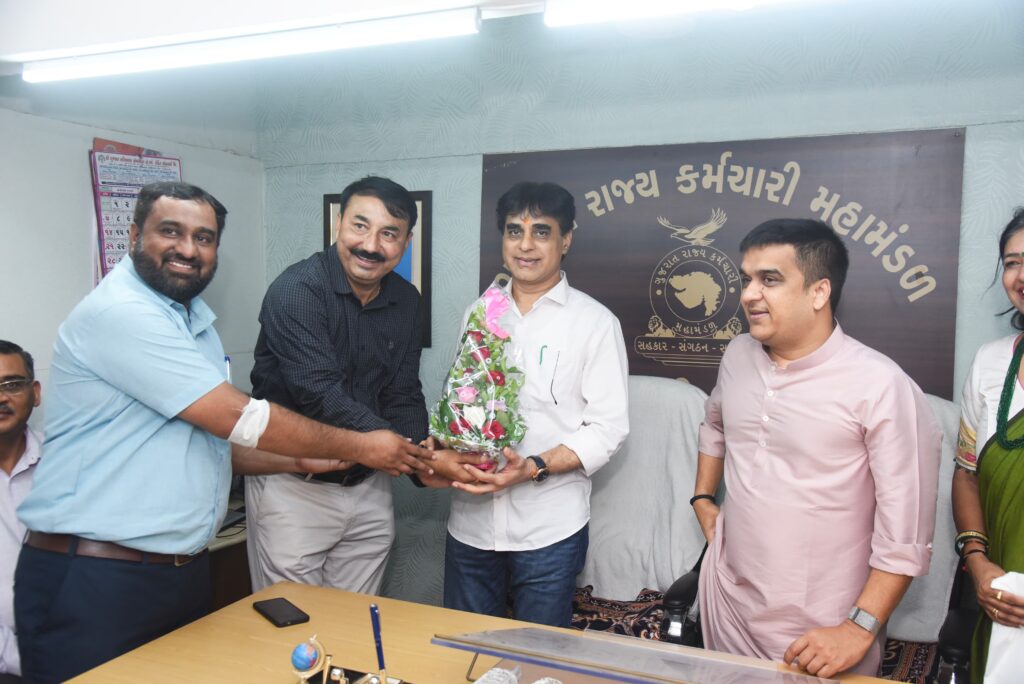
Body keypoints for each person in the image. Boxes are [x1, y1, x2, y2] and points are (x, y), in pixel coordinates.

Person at [14, 182, 433, 684]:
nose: (188, 249)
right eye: (171, 232)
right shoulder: (121, 312)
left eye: (204, 238)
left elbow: (210, 445)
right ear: (134, 235)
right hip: (97, 574)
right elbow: (242, 418)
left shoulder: (194, 324)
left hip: (177, 570)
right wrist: (369, 447)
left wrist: (298, 459)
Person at [692, 218, 941, 678]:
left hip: (822, 635)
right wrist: (703, 498)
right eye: (746, 279)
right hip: (727, 606)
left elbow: (904, 537)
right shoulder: (738, 354)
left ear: (819, 292)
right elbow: (715, 424)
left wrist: (858, 628)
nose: (748, 294)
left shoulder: (881, 386)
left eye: (769, 280)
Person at [426, 181, 630, 628]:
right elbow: (460, 401)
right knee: (466, 649)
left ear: (566, 240)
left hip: (548, 530)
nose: (525, 245)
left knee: (539, 656)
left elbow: (608, 428)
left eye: (541, 231)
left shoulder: (594, 323)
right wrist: (441, 446)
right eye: (514, 231)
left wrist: (533, 466)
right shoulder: (478, 313)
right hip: (472, 525)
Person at [246, 176, 442, 594]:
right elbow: (319, 395)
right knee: (292, 621)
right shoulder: (297, 291)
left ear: (406, 242)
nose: (371, 245)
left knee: (354, 621)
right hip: (296, 486)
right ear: (339, 223)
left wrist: (422, 456)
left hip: (370, 485)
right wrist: (402, 452)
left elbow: (402, 391)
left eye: (389, 233)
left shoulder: (406, 300)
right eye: (360, 226)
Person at [951, 208, 1024, 683]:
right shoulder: (990, 362)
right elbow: (967, 474)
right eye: (1012, 262)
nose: (1021, 275)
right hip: (1002, 605)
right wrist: (978, 564)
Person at [0, 341, 40, 679]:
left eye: (11, 384)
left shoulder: (70, 463)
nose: (1, 398)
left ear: (35, 392)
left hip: (80, 646)